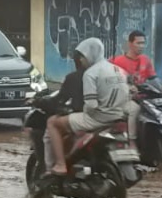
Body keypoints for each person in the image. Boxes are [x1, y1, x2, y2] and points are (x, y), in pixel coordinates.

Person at [45, 37, 131, 176]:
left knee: (52, 123)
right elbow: (127, 97)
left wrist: (85, 112)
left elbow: (91, 105)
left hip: (97, 119)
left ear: (90, 55)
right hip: (118, 117)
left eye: (82, 57)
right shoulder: (119, 70)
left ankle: (60, 165)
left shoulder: (90, 73)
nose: (81, 61)